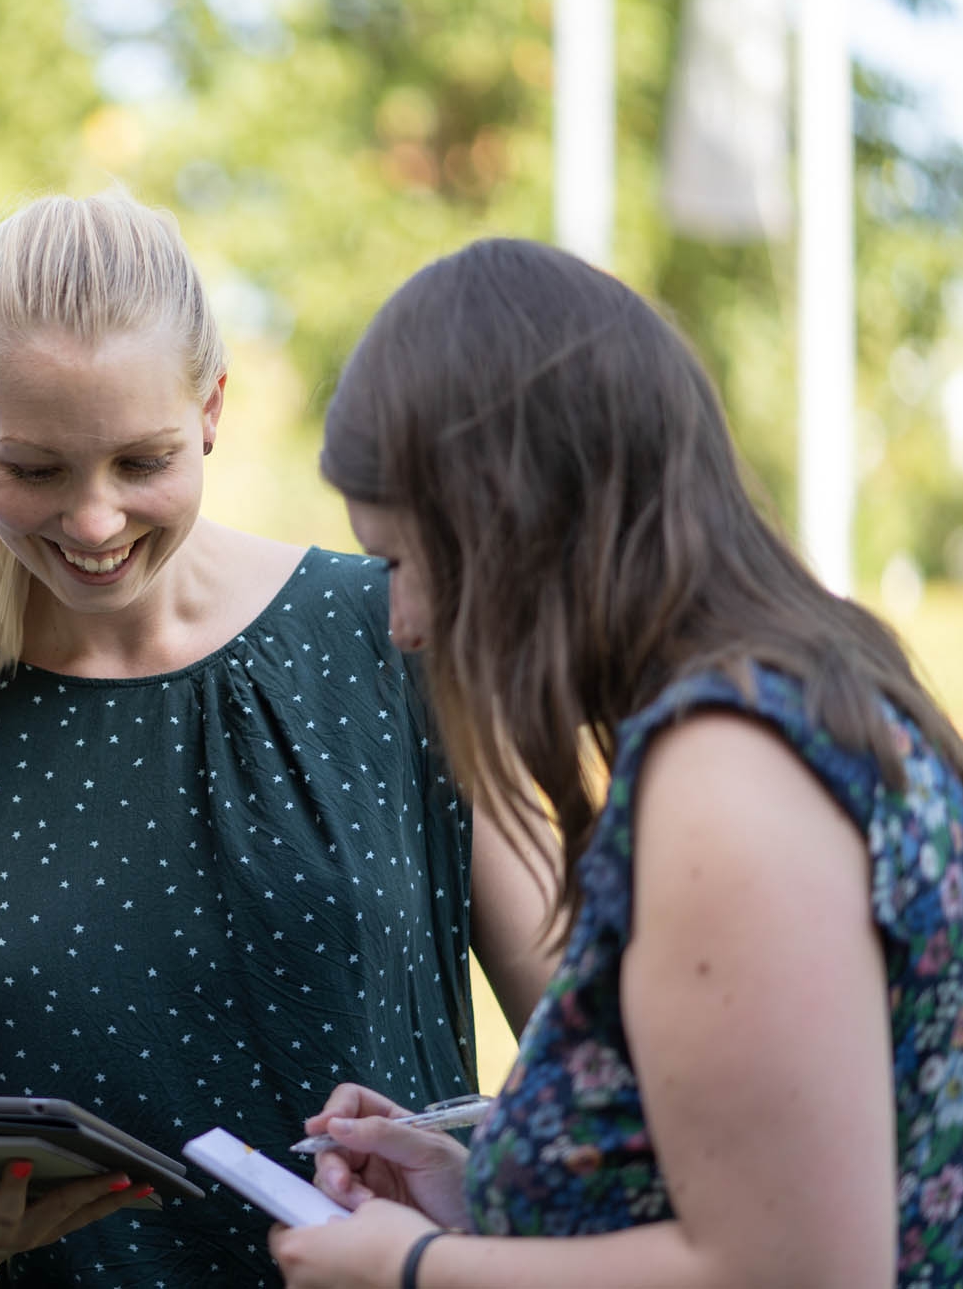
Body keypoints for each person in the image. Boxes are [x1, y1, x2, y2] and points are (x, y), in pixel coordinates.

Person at [0, 190, 553, 1286]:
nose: (93, 521)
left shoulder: (394, 632)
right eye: (36, 469)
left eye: (140, 462)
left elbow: (584, 1056)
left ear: (212, 407)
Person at [273, 237, 963, 1289]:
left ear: (515, 523)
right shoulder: (796, 700)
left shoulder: (728, 778)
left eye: (404, 561)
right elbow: (732, 1181)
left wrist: (413, 1268)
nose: (401, 622)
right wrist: (487, 1198)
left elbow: (792, 1269)